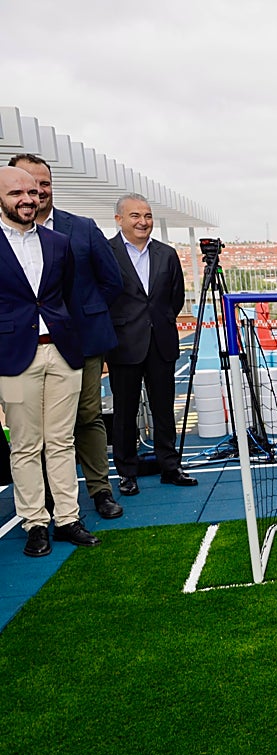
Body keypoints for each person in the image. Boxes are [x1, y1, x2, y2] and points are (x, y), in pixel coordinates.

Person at [9, 153, 125, 521]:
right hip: (22, 348)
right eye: (27, 185)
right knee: (31, 432)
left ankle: (99, 490)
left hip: (82, 342)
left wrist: (79, 318)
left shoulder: (82, 228)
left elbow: (112, 281)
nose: (37, 192)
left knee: (87, 416)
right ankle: (42, 501)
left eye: (43, 184)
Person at [0, 166, 100, 556]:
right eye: (16, 193)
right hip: (12, 357)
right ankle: (35, 523)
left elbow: (66, 295)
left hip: (62, 352)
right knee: (25, 445)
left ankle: (67, 519)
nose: (28, 199)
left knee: (62, 441)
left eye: (33, 192)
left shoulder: (58, 243)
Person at [107, 193, 197, 495]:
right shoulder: (106, 253)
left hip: (161, 341)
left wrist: (160, 321)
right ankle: (127, 472)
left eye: (147, 216)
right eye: (135, 215)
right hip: (124, 344)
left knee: (164, 409)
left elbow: (175, 297)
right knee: (124, 413)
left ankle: (170, 467)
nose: (143, 221)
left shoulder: (167, 254)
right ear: (119, 219)